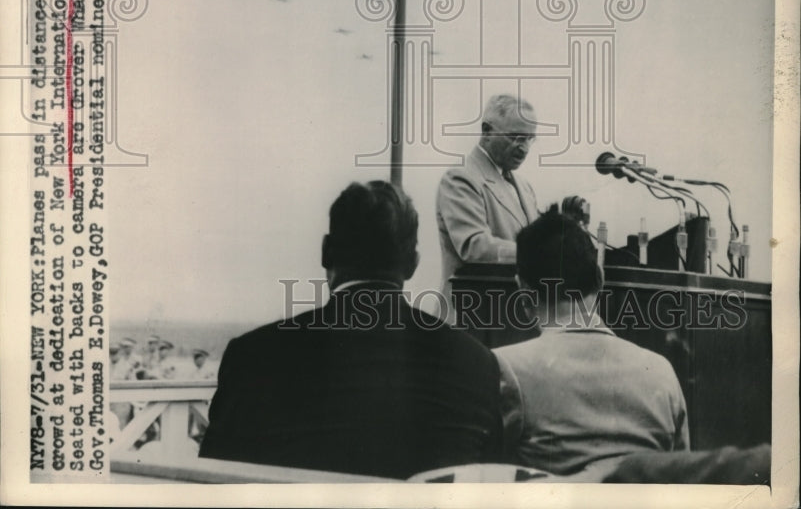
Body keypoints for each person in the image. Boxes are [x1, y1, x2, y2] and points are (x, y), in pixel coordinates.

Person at [200, 180, 504, 478]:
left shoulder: (253, 356)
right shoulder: (476, 364)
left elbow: (210, 479)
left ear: (326, 252)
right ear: (412, 263)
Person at [494, 212, 689, 476]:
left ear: (524, 292)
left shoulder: (504, 367)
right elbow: (683, 480)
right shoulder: (661, 370)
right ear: (600, 279)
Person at [436, 94, 540, 309]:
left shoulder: (525, 187)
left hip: (513, 315)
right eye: (516, 137)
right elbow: (476, 247)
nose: (525, 148)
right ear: (486, 131)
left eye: (530, 138)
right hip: (470, 315)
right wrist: (541, 254)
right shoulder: (460, 179)